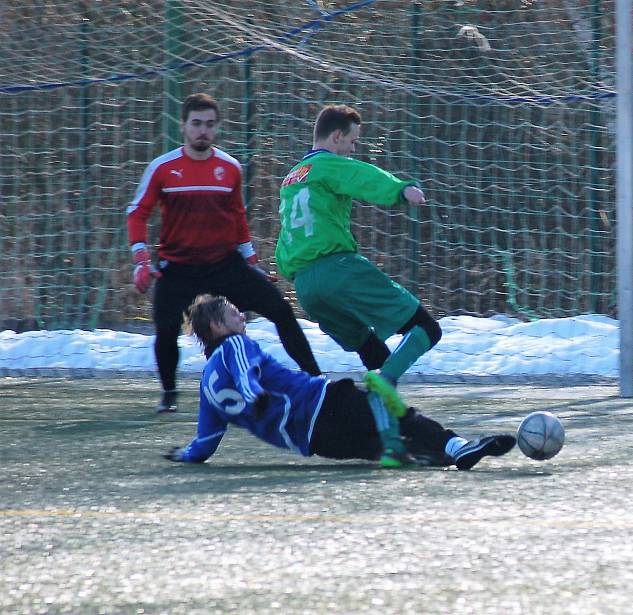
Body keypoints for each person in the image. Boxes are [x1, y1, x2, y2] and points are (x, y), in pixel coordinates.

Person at [163, 294, 516, 470]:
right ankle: (457, 447)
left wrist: (185, 455)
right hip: (324, 402)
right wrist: (254, 394)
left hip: (316, 441)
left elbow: (206, 442)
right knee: (396, 412)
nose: (241, 316)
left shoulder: (207, 385)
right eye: (233, 314)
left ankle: (438, 457)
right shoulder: (237, 344)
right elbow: (245, 372)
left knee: (387, 449)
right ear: (217, 328)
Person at [127, 93, 321, 413]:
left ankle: (315, 378)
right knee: (165, 328)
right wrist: (141, 261)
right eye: (197, 124)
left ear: (216, 128)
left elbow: (237, 217)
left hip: (224, 264)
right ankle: (169, 394)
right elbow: (137, 213)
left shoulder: (230, 168)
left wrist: (252, 262)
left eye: (209, 125)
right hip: (178, 266)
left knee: (280, 310)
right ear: (184, 126)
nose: (203, 130)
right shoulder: (162, 168)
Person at [275, 104, 440, 417]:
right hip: (338, 271)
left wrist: (285, 270)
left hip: (305, 288)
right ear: (336, 137)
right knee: (427, 329)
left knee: (373, 352)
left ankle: (390, 436)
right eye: (352, 142)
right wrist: (400, 190)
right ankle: (387, 383)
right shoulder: (329, 164)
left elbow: (286, 233)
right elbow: (363, 176)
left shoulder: (292, 178)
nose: (352, 150)